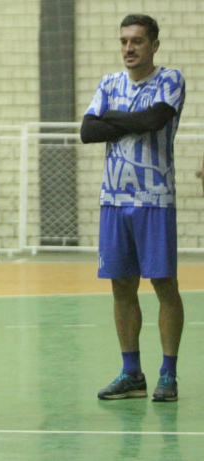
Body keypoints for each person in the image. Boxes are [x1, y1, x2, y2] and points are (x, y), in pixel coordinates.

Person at [80, 14, 185, 403]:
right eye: (124, 41)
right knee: (122, 288)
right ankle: (131, 373)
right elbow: (88, 131)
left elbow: (157, 118)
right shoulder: (109, 82)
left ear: (153, 45)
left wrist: (113, 119)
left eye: (137, 41)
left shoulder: (170, 80)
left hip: (154, 200)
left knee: (164, 286)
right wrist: (130, 122)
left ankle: (168, 375)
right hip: (113, 201)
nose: (128, 48)